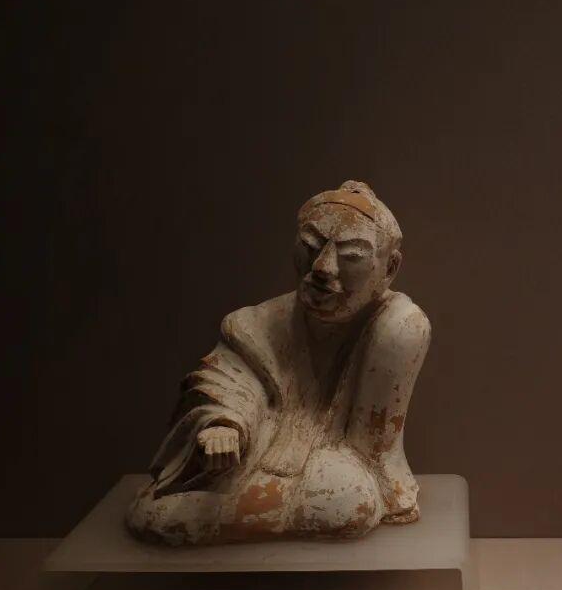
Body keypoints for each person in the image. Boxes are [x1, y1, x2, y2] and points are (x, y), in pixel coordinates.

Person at [127, 181, 431, 544]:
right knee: (343, 500)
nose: (322, 267)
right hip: (259, 453)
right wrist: (225, 424)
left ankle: (198, 517)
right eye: (310, 246)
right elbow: (229, 382)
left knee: (344, 493)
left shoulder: (398, 326)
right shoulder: (254, 325)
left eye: (351, 256)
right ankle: (201, 514)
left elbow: (369, 449)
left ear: (389, 268)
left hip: (338, 469)